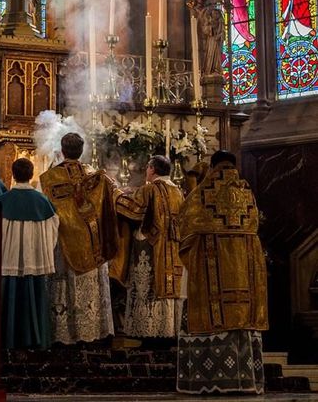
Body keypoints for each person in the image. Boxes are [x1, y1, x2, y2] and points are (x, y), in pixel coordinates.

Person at [176, 150, 268, 395]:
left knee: (207, 311)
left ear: (213, 167)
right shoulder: (247, 192)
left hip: (210, 270)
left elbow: (183, 226)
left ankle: (207, 380)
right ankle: (245, 379)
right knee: (242, 318)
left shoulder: (201, 194)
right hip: (243, 270)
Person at [40, 132, 119, 345]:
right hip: (91, 241)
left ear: (62, 150)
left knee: (64, 286)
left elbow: (45, 211)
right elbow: (107, 203)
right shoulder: (93, 175)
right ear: (81, 151)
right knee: (90, 287)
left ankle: (64, 334)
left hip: (63, 239)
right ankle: (92, 330)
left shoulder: (50, 177)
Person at [113, 155, 185, 341]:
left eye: (147, 168)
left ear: (152, 169)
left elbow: (134, 211)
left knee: (149, 285)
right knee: (169, 286)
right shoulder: (178, 192)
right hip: (173, 247)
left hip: (151, 247)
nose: (146, 171)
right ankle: (168, 329)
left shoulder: (150, 189)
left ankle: (149, 331)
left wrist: (115, 194)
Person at [0, 157, 59, 350]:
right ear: (31, 175)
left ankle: (8, 338)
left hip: (8, 260)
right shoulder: (43, 201)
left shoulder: (2, 202)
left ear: (13, 175)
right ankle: (35, 337)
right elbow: (52, 232)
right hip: (34, 263)